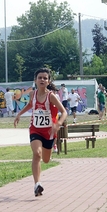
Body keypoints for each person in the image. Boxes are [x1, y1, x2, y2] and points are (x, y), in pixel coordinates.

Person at [14, 67, 67, 197]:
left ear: (48, 81)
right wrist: (19, 114)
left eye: (45, 78)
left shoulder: (51, 96)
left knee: (46, 160)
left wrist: (58, 123)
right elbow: (30, 105)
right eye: (40, 78)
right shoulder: (33, 94)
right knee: (37, 154)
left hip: (49, 132)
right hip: (35, 129)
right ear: (35, 80)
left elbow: (64, 111)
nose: (42, 79)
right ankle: (37, 184)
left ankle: (39, 179)